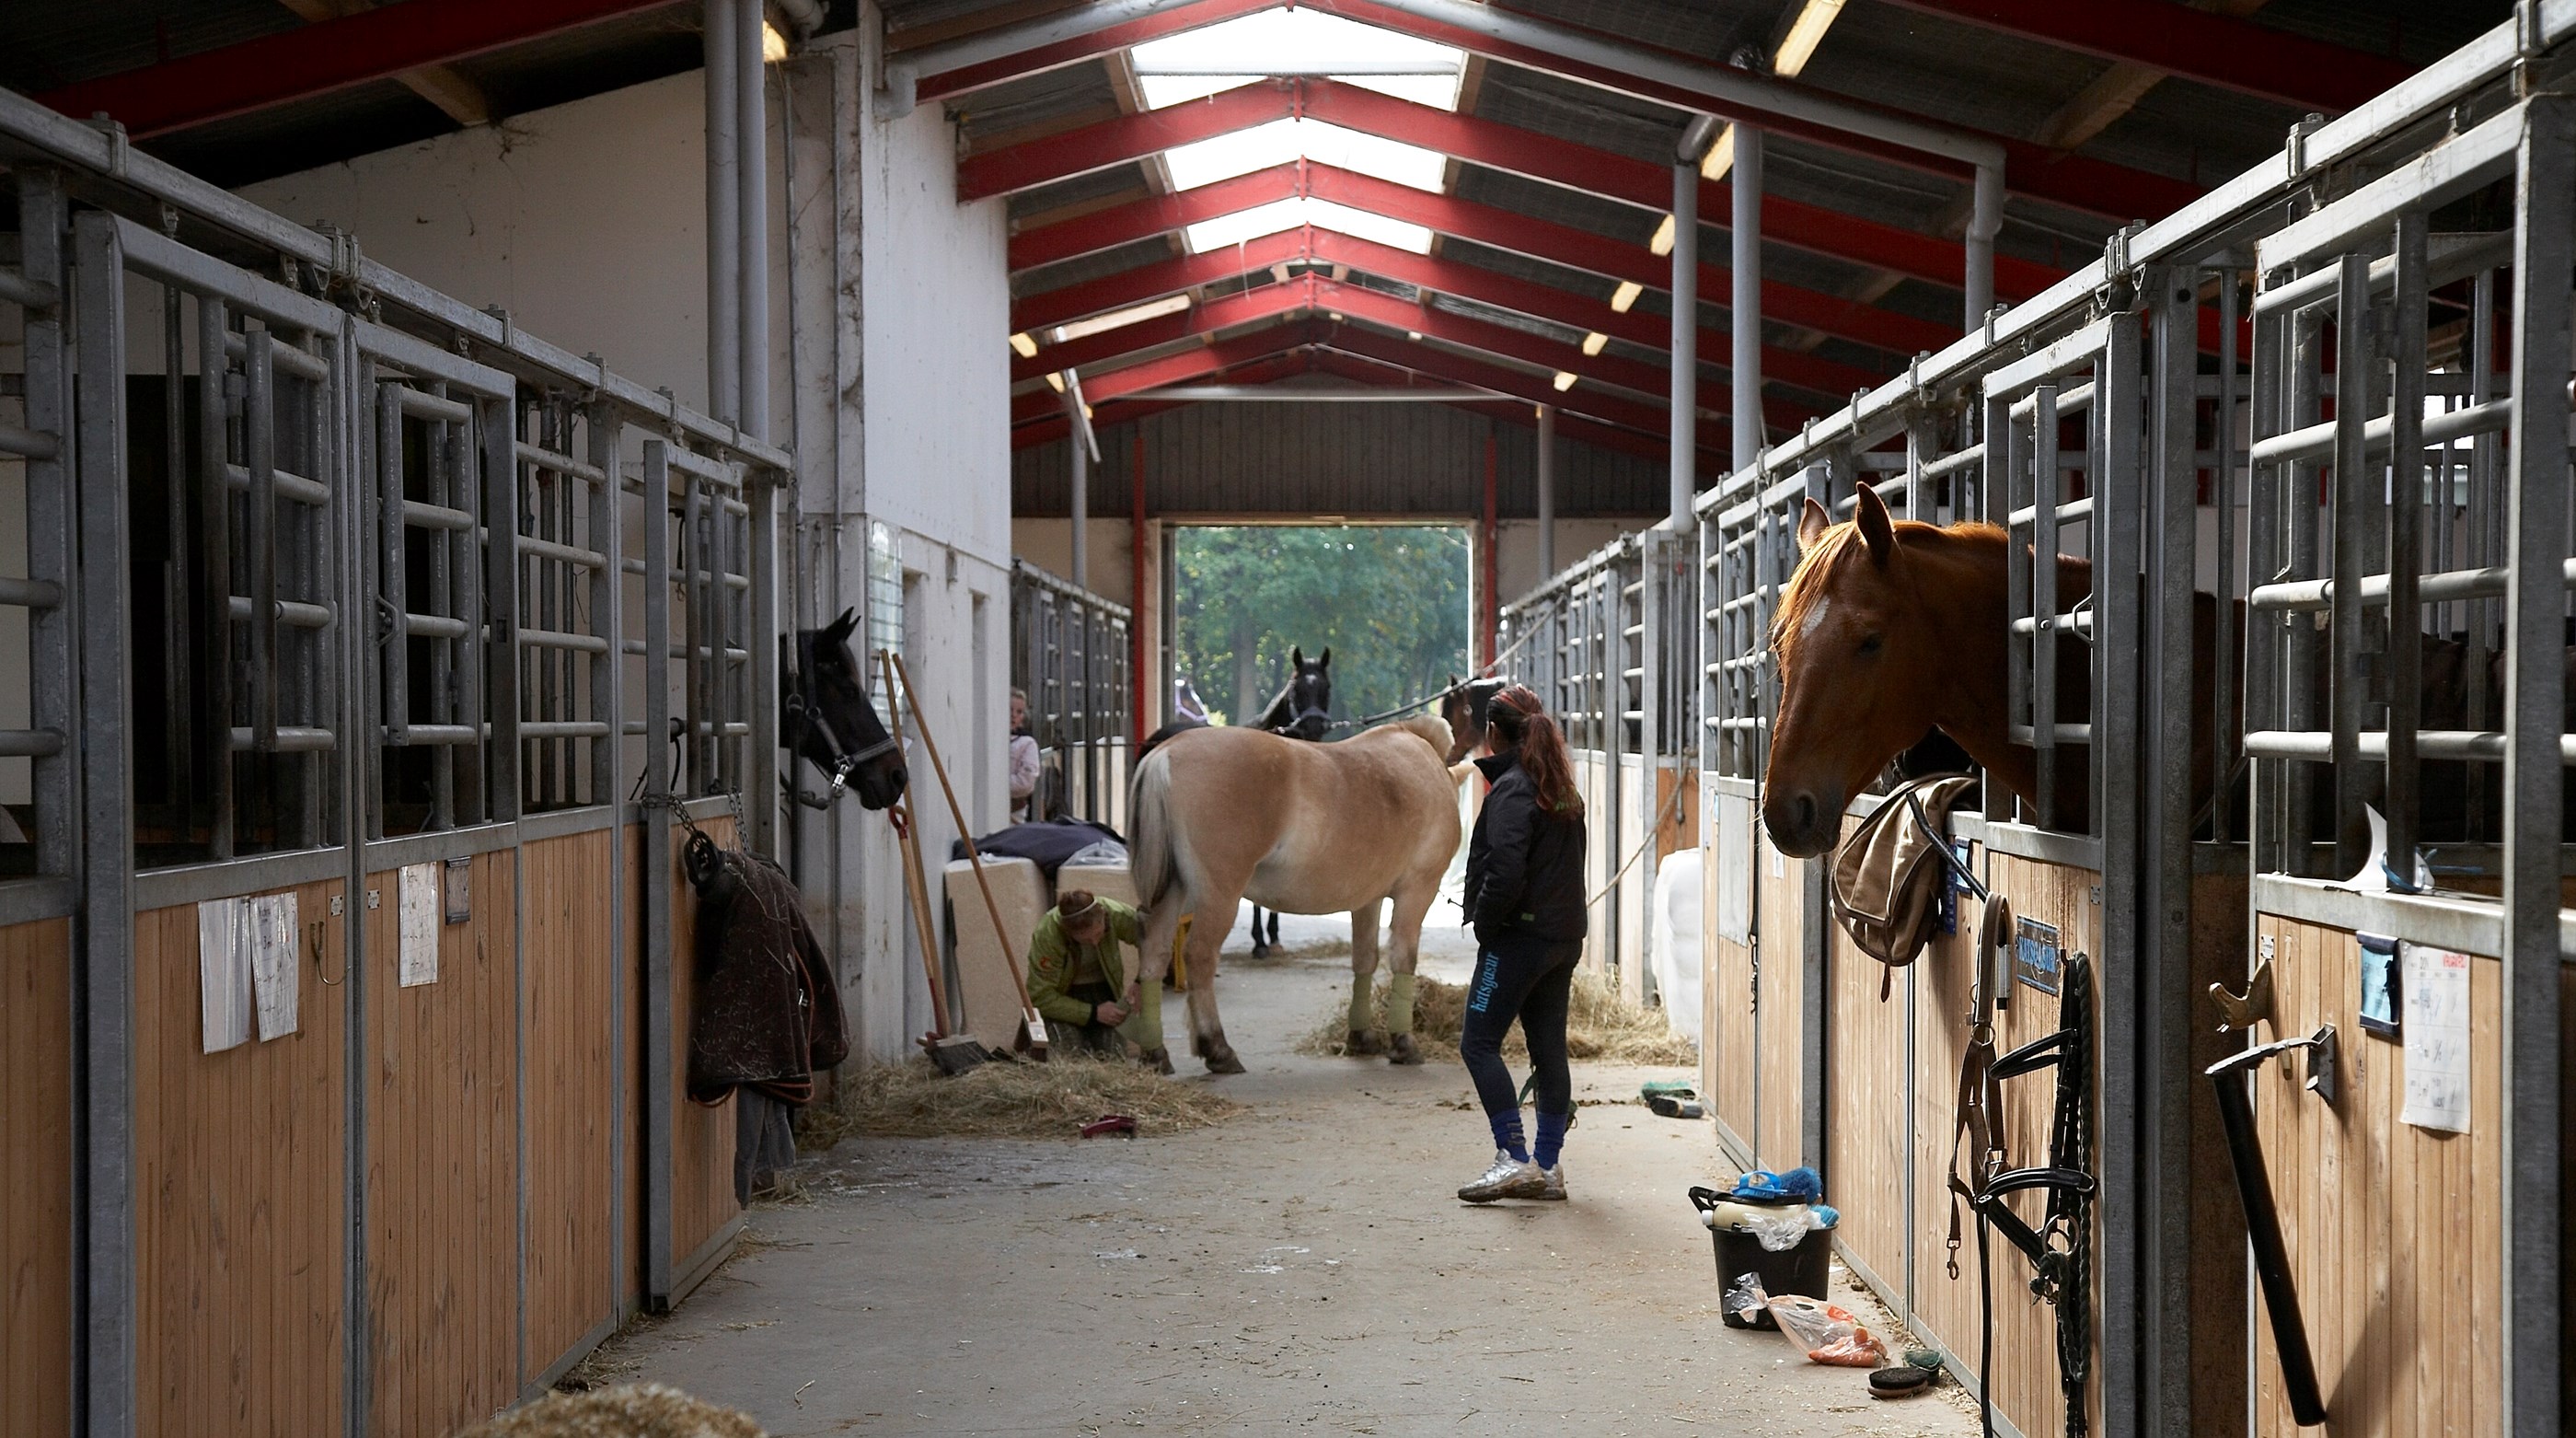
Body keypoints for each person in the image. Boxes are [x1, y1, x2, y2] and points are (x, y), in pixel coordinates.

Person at [1454, 684, 1588, 1203]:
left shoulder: (1512, 788)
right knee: (1548, 1049)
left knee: (1478, 1043)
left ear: (1492, 731)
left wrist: (1487, 927)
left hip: (1519, 939)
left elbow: (1505, 872)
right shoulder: (1560, 787)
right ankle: (1547, 1166)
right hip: (1562, 938)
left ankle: (1511, 1156)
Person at [1023, 889, 1165, 1063]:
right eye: (1085, 940)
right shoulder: (1048, 935)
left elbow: (1155, 942)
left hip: (1102, 991)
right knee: (1069, 1060)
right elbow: (1040, 997)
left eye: (1099, 934)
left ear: (1104, 917)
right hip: (1063, 997)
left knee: (1113, 1061)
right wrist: (1093, 1013)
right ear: (1068, 933)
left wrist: (1141, 982)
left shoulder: (1115, 914)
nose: (1095, 943)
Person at [1008, 688, 1042, 822]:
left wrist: (996, 784)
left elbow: (1025, 783)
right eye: (1010, 709)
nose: (1013, 715)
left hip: (1014, 814)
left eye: (1019, 712)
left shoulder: (1027, 743)